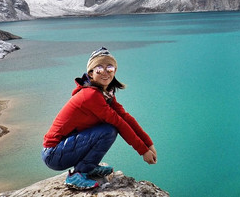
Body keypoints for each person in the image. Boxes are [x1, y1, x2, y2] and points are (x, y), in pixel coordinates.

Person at [42, 47, 158, 189]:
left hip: (62, 149)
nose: (105, 72)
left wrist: (149, 144)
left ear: (114, 71)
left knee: (109, 128)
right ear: (90, 73)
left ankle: (87, 167)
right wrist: (143, 151)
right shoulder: (91, 96)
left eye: (110, 67)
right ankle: (77, 175)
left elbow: (126, 117)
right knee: (109, 131)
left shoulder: (105, 94)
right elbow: (119, 123)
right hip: (54, 154)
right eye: (99, 68)